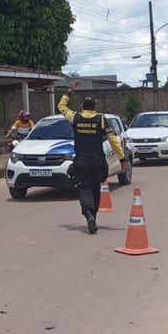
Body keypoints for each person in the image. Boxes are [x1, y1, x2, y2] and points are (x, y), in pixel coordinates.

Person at [58, 81, 126, 234]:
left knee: (84, 188)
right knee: (95, 189)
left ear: (82, 105)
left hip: (81, 160)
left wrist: (69, 91)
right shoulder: (101, 120)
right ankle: (92, 216)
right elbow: (113, 140)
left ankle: (89, 215)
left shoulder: (75, 117)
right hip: (97, 161)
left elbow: (61, 107)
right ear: (95, 106)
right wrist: (122, 159)